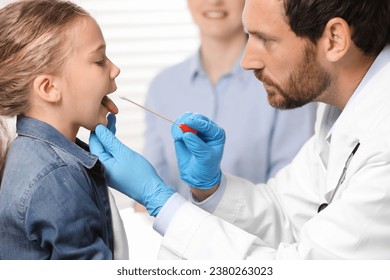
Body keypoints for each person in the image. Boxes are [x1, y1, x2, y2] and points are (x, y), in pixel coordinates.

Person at [90, 0, 390, 259]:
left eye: (266, 39)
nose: (247, 61)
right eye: (249, 35)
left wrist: (163, 203)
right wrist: (212, 188)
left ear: (335, 40)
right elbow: (286, 213)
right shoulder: (337, 109)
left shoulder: (383, 141)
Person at [143, 0, 316, 198]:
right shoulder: (162, 86)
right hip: (180, 229)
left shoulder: (286, 82)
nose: (215, 2)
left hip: (258, 228)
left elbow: (290, 197)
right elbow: (151, 192)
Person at [0, 0, 127, 259]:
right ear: (49, 89)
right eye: (99, 60)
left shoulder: (36, 157)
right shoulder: (55, 176)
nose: (115, 69)